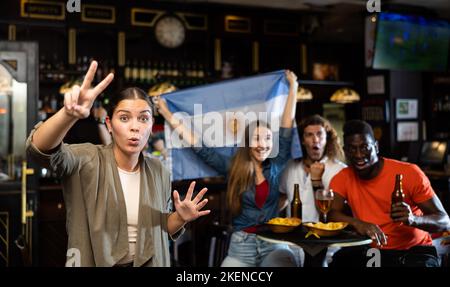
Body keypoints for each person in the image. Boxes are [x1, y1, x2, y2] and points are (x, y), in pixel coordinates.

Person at [26, 61, 210, 267]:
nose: (134, 127)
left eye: (143, 118)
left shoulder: (159, 170)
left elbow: (162, 227)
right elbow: (39, 150)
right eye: (124, 118)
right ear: (109, 125)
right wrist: (68, 115)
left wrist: (181, 217)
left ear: (151, 126)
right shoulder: (87, 159)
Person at [155, 70, 300, 267]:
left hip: (273, 243)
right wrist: (167, 114)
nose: (263, 144)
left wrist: (293, 88)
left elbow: (286, 127)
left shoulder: (277, 162)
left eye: (267, 138)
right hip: (241, 246)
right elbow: (199, 147)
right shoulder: (233, 167)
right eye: (257, 138)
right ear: (248, 142)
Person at [328, 120, 450, 267]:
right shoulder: (342, 177)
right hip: (375, 253)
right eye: (352, 149)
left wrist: (413, 220)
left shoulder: (410, 172)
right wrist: (358, 223)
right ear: (345, 151)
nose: (359, 154)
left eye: (364, 147)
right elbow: (332, 214)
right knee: (338, 261)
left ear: (376, 146)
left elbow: (444, 222)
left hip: (414, 250)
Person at [279, 115, 346, 266]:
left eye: (319, 134)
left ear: (327, 138)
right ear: (302, 140)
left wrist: (317, 181)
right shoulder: (290, 166)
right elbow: (282, 198)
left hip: (327, 249)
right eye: (309, 135)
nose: (315, 140)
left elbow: (331, 213)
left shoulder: (340, 170)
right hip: (292, 245)